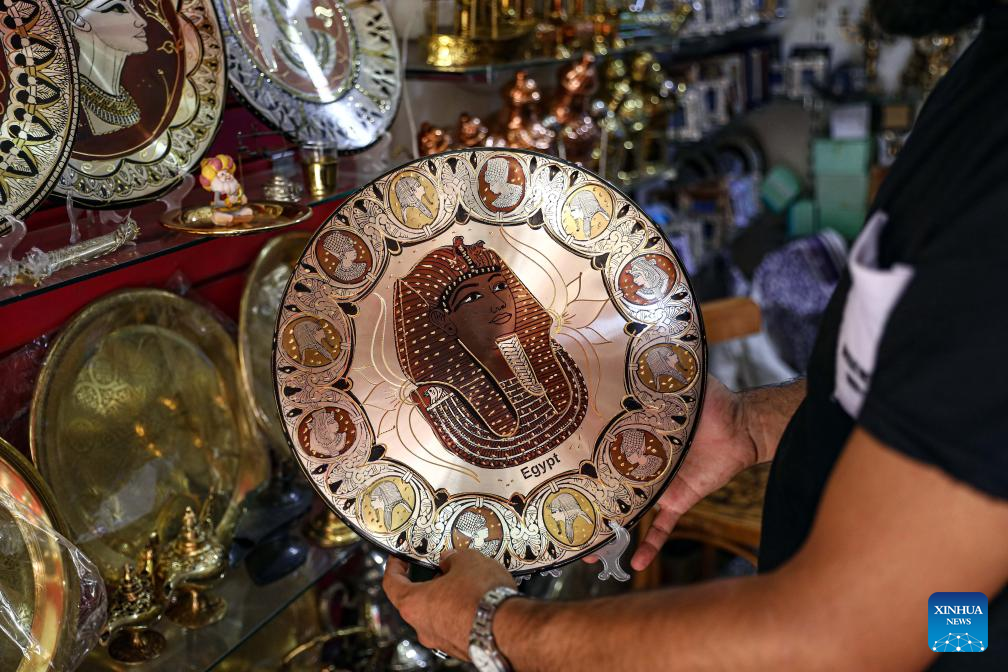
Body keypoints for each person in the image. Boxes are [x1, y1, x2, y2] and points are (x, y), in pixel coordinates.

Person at [383, 2, 1008, 670]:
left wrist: (493, 629)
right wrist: (756, 423)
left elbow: (840, 639)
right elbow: (951, 396)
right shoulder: (988, 81)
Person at [64, 0, 149, 135]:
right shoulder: (67, 107)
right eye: (118, 8)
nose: (141, 21)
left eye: (132, 6)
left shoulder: (128, 99)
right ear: (78, 20)